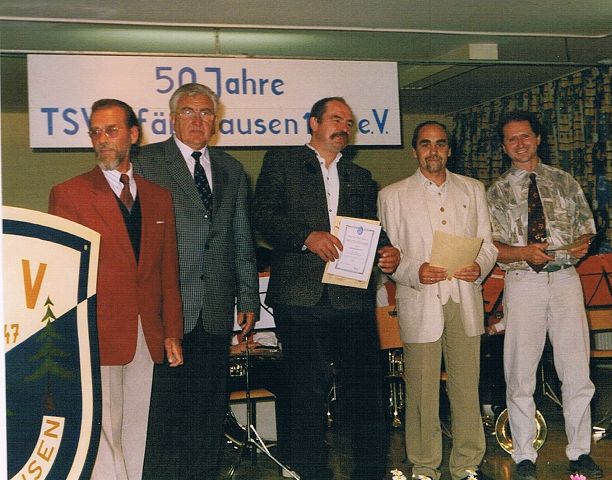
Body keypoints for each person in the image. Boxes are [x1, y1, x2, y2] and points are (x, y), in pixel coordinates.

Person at [252, 96, 400, 480]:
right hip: (300, 298)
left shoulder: (360, 177)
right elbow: (262, 216)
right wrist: (306, 237)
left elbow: (371, 230)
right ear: (314, 122)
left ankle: (370, 473)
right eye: (336, 119)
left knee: (366, 391)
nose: (343, 128)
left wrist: (387, 252)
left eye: (349, 123)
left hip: (351, 297)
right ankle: (310, 472)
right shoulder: (281, 162)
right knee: (306, 394)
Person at [49, 98, 184, 480]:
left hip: (146, 331)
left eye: (111, 130)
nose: (102, 139)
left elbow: (167, 269)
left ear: (133, 135)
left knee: (135, 428)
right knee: (105, 429)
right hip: (96, 331)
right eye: (96, 132)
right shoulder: (69, 194)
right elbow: (63, 273)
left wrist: (172, 331)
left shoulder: (159, 197)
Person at [134, 83, 260, 479]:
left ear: (215, 121)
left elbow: (241, 236)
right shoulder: (146, 163)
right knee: (163, 410)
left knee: (208, 410)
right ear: (172, 118)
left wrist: (248, 297)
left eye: (206, 113)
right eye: (188, 111)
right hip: (165, 310)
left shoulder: (232, 169)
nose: (197, 120)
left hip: (216, 307)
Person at [378, 121, 497, 480]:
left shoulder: (473, 189)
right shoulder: (392, 195)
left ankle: (468, 463)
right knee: (421, 391)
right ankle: (424, 465)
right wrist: (414, 271)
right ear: (414, 151)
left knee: (466, 387)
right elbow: (390, 256)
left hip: (464, 299)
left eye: (440, 144)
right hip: (421, 300)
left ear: (449, 149)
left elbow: (488, 244)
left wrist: (479, 266)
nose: (434, 151)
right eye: (426, 144)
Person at [486, 111, 602, 480]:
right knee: (520, 372)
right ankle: (524, 454)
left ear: (538, 138)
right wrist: (523, 252)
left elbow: (587, 229)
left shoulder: (564, 181)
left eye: (525, 136)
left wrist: (582, 244)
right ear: (504, 147)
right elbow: (492, 246)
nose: (520, 144)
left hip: (565, 279)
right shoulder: (496, 192)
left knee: (577, 370)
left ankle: (580, 453)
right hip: (523, 283)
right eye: (511, 139)